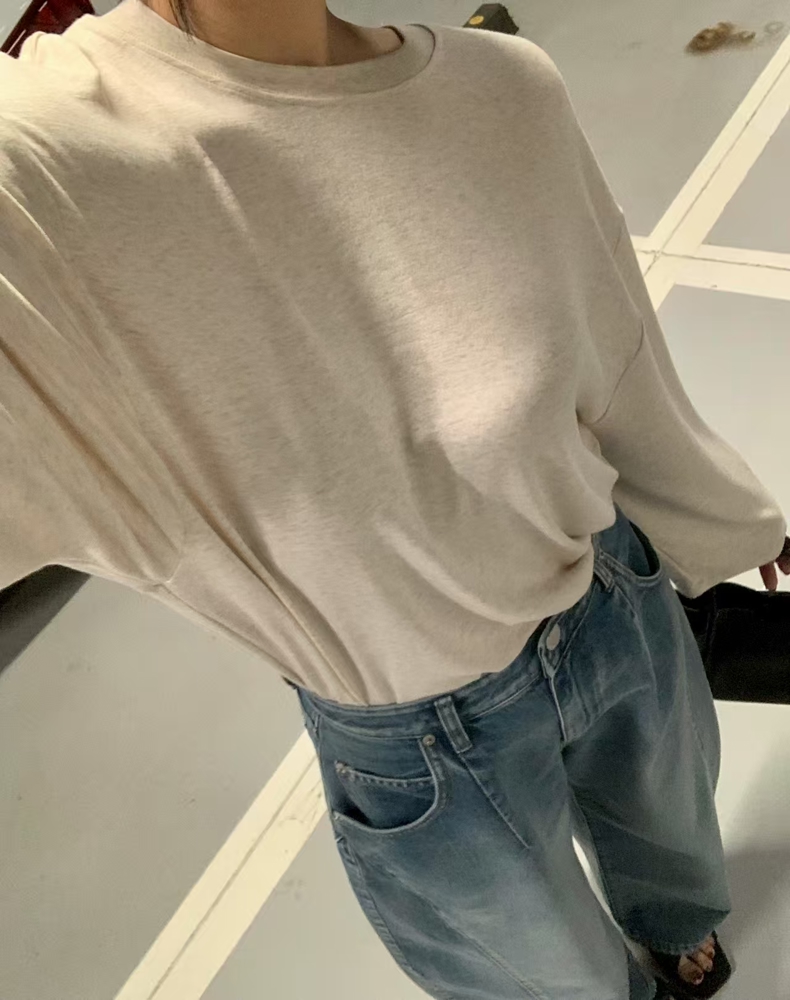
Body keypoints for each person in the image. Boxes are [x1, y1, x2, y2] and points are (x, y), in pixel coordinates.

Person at [1, 1, 788, 997]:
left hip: (606, 589)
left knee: (672, 827)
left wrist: (727, 519)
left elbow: (614, 358)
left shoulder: (499, 87)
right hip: (414, 725)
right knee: (546, 978)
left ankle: (675, 922)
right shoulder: (38, 173)